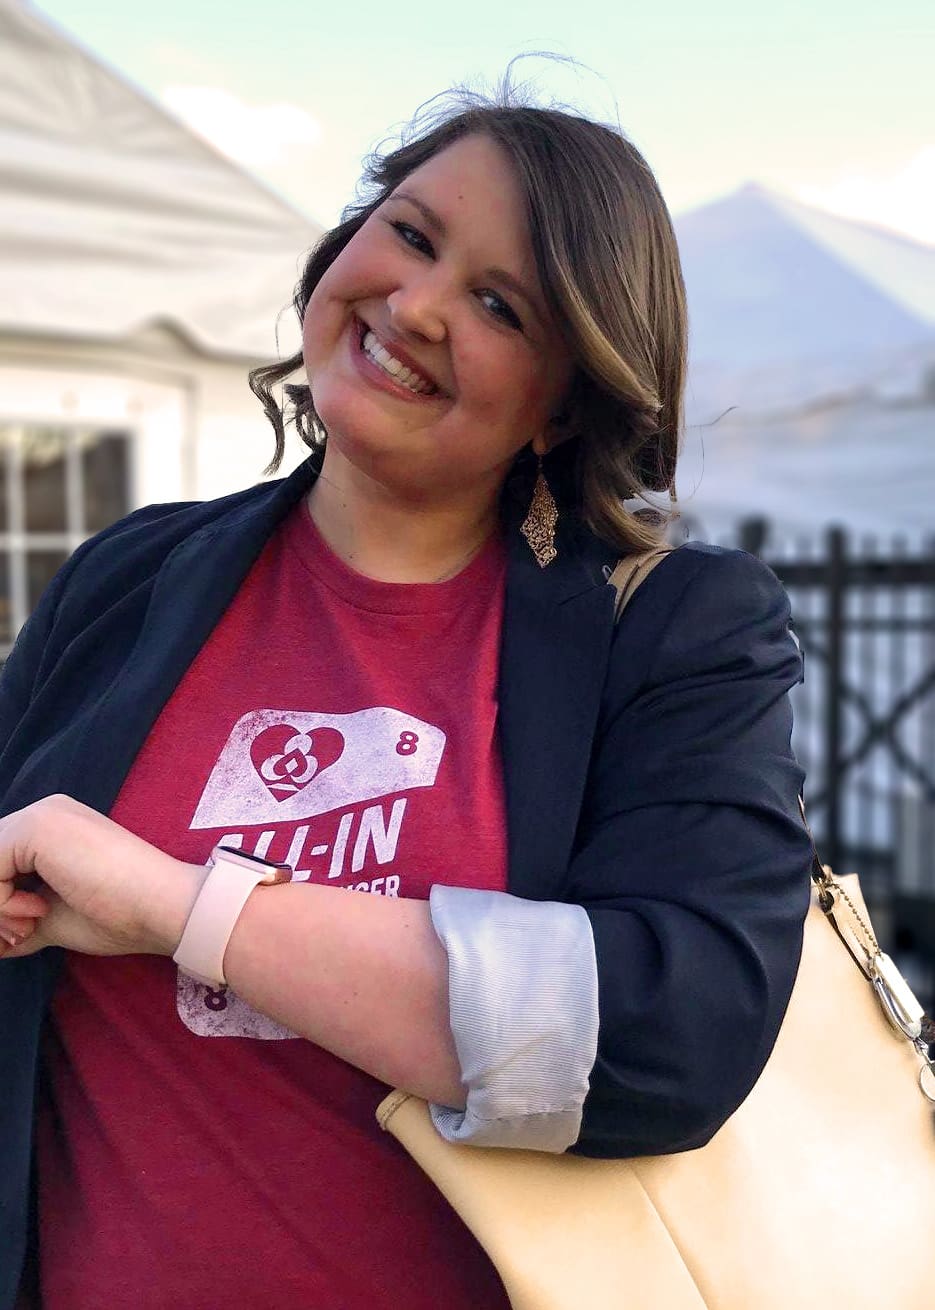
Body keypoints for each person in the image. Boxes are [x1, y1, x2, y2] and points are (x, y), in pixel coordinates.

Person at [0, 90, 813, 1309]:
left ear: (564, 395)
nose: (418, 307)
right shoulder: (132, 573)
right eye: (413, 235)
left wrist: (179, 906)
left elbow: (674, 1033)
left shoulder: (669, 627)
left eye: (499, 305)